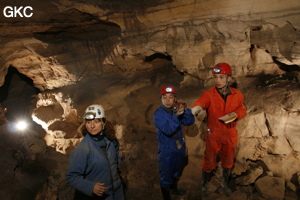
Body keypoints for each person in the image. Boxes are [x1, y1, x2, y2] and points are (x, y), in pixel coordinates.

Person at [192, 63, 246, 197]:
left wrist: (236, 115)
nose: (218, 81)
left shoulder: (237, 94)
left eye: (221, 77)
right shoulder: (209, 94)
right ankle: (204, 185)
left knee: (228, 160)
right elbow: (201, 102)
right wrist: (196, 108)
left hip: (230, 131)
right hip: (214, 132)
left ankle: (224, 184)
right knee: (209, 160)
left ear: (229, 78)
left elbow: (242, 108)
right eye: (215, 77)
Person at [66, 104, 125, 200]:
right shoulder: (83, 149)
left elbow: (116, 153)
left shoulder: (110, 140)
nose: (92, 126)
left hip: (117, 191)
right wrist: (91, 187)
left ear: (103, 122)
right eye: (88, 122)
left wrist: (116, 170)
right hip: (101, 195)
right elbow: (71, 177)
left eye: (96, 122)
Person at [153, 85, 195, 200]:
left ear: (175, 98)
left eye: (170, 97)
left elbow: (189, 121)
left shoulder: (177, 110)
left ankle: (174, 189)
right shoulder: (158, 114)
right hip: (166, 148)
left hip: (178, 145)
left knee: (176, 170)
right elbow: (168, 129)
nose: (167, 100)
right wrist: (176, 116)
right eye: (165, 97)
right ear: (161, 99)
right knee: (166, 172)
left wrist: (186, 111)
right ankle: (166, 196)